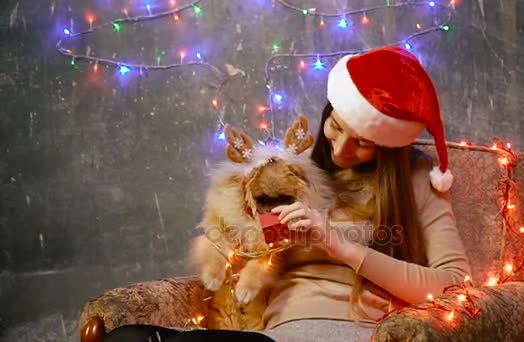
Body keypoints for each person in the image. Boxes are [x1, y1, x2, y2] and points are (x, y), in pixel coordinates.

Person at [103, 46, 471, 342]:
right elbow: (234, 246)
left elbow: (455, 285)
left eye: (363, 144)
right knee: (125, 337)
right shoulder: (298, 169)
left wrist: (343, 248)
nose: (341, 151)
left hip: (348, 328)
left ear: (390, 149)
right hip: (274, 328)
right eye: (335, 127)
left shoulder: (418, 177)